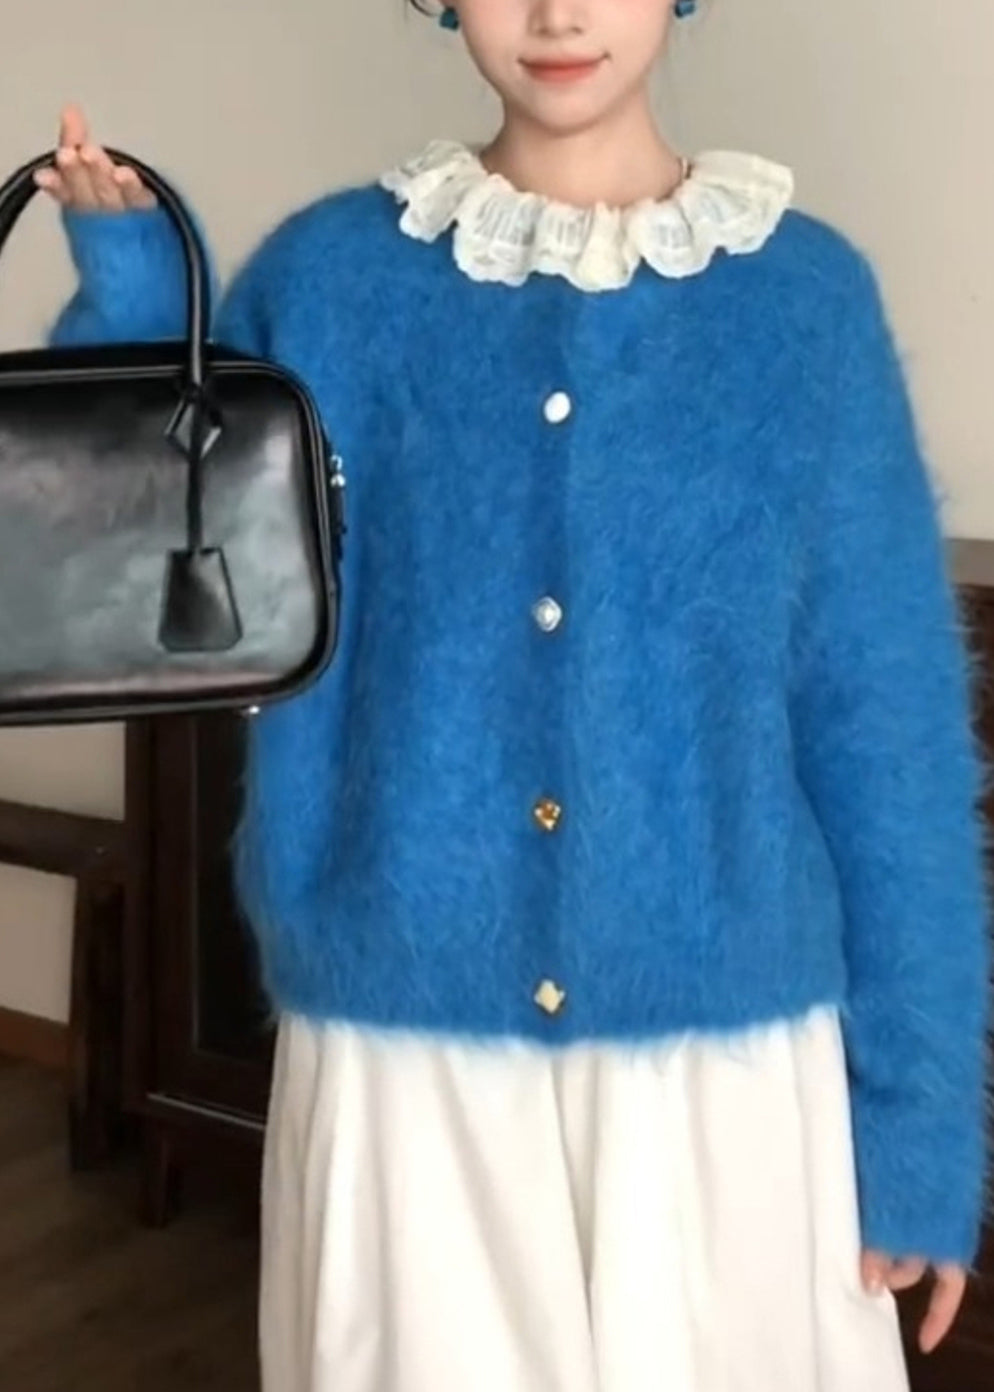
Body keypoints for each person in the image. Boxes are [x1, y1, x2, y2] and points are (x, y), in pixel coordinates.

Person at [36, 1, 991, 1388]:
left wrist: (917, 1126)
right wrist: (130, 285)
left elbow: (888, 735)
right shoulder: (327, 281)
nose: (555, 12)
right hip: (403, 1054)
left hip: (727, 1075)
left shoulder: (806, 307)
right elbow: (151, 551)